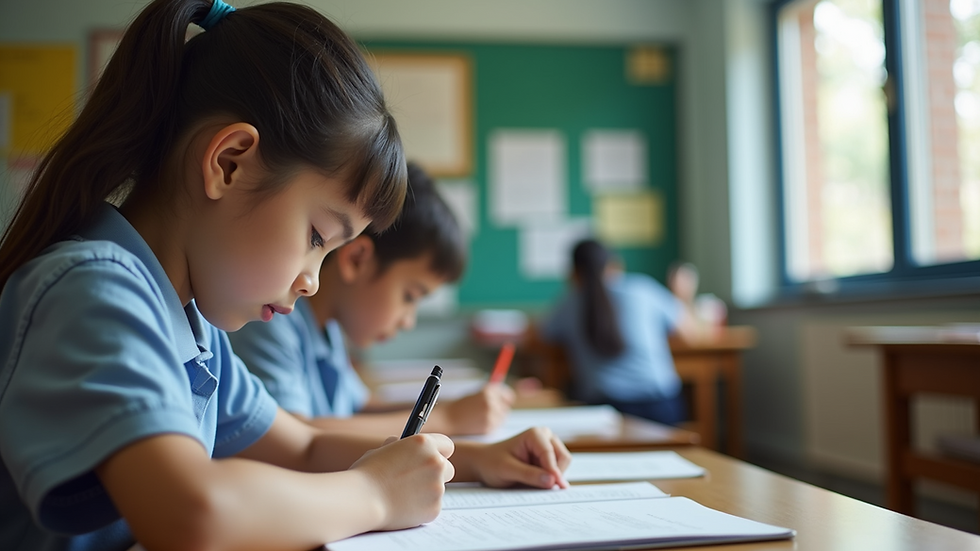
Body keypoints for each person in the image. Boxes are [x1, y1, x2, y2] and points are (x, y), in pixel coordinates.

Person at [0, 2, 569, 550]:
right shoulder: (94, 291)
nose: (314, 281)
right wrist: (372, 494)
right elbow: (191, 515)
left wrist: (467, 460)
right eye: (318, 238)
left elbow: (304, 447)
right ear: (229, 163)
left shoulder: (194, 329)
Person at [230, 162, 514, 436]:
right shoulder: (271, 318)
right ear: (357, 259)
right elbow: (293, 435)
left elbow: (360, 407)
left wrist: (451, 408)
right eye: (409, 296)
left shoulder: (327, 330)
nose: (408, 321)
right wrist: (449, 419)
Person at [539, 239, 697, 425]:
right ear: (614, 265)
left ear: (573, 273)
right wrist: (681, 297)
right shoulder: (642, 289)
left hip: (603, 412)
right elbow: (691, 335)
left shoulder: (568, 303)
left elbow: (541, 336)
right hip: (660, 407)